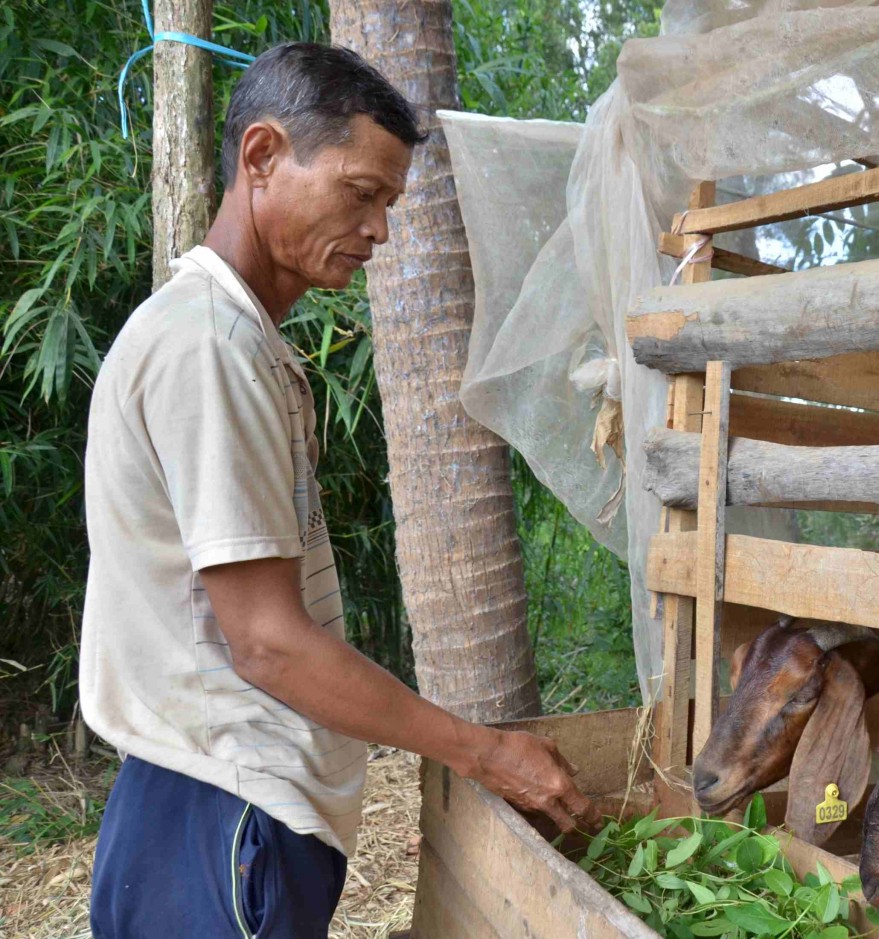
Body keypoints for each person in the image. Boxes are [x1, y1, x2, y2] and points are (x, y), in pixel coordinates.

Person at [82, 42, 601, 938]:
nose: (379, 232)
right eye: (361, 193)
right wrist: (483, 752)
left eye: (389, 204)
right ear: (262, 155)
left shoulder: (233, 339)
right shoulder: (212, 347)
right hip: (224, 812)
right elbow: (269, 645)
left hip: (203, 806)